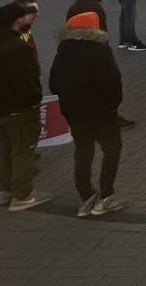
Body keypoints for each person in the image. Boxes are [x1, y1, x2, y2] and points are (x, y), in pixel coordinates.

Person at [0, 2, 52, 211]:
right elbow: (24, 81)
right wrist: (35, 99)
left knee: (5, 147)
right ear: (17, 20)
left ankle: (3, 190)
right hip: (18, 109)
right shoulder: (17, 47)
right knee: (22, 151)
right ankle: (22, 195)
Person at [48, 12, 125, 216]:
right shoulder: (100, 51)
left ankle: (86, 196)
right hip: (101, 113)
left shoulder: (62, 51)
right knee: (112, 150)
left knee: (83, 152)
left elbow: (53, 84)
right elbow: (112, 82)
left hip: (74, 114)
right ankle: (106, 196)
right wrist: (112, 107)